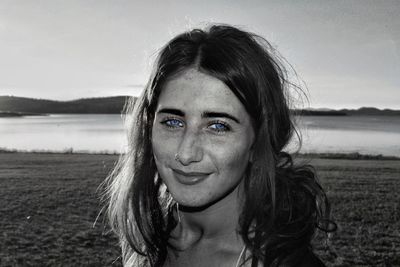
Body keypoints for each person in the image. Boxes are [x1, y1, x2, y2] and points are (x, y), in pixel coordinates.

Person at [104, 24, 335, 267]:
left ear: (258, 141)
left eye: (218, 127)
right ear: (149, 126)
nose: (185, 153)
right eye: (172, 122)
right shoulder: (146, 243)